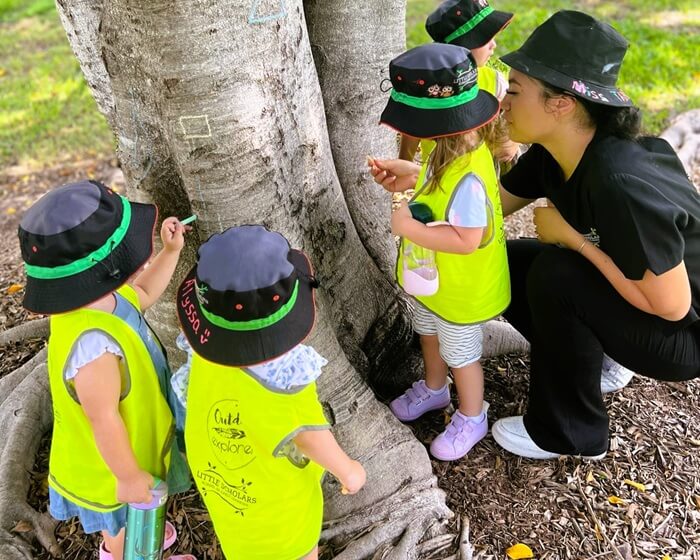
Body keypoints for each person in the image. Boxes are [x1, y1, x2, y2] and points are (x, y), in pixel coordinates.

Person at [488, 10, 700, 459]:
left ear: (561, 103)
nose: (504, 100)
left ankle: (570, 432)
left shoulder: (618, 181)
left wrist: (572, 238)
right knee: (506, 264)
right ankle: (603, 360)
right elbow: (489, 210)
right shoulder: (555, 152)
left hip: (684, 335)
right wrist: (461, 157)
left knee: (554, 275)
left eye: (516, 90)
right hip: (644, 302)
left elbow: (672, 306)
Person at [18, 180, 196, 560]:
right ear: (108, 267)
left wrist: (170, 252)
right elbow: (103, 418)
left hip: (132, 444)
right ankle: (123, 552)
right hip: (111, 467)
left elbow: (143, 293)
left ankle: (136, 536)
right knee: (123, 528)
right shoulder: (92, 347)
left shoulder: (101, 301)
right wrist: (128, 477)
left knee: (136, 516)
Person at [174, 225, 366, 559]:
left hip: (225, 493)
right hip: (281, 514)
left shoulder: (204, 349)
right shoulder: (286, 385)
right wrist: (350, 472)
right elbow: (311, 438)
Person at [369, 43, 509, 461]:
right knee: (426, 332)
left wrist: (406, 225)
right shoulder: (449, 149)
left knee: (460, 353)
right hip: (433, 281)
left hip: (461, 289)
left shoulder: (468, 175)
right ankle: (433, 388)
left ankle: (471, 414)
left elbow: (467, 238)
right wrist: (412, 177)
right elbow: (436, 185)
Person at [398, 0, 517, 164]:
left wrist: (511, 142)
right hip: (433, 178)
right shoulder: (429, 85)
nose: (494, 45)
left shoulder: (495, 81)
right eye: (486, 39)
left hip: (481, 177)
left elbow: (514, 128)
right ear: (463, 46)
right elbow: (413, 129)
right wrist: (405, 162)